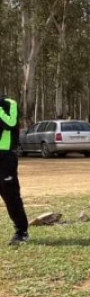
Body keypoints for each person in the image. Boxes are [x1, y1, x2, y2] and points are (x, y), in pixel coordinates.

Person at [1, 95, 29, 245]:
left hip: (4, 157)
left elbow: (11, 123)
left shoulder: (9, 103)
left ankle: (21, 231)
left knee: (10, 196)